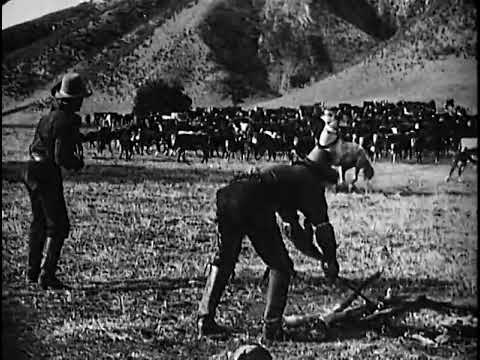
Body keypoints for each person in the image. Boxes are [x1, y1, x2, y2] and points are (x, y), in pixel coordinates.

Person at [197, 141, 340, 342]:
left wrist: (318, 257)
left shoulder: (289, 176)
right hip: (253, 201)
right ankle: (272, 328)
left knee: (225, 259)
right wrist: (330, 259)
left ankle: (205, 320)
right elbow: (323, 229)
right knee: (281, 266)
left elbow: (294, 232)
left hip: (229, 195)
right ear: (322, 174)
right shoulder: (310, 184)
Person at [23, 73, 91, 290]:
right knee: (59, 226)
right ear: (71, 100)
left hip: (31, 169)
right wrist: (75, 164)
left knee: (39, 222)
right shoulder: (68, 121)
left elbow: (38, 145)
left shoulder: (47, 118)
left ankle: (32, 271)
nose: (81, 101)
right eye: (79, 97)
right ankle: (47, 274)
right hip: (47, 173)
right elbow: (61, 156)